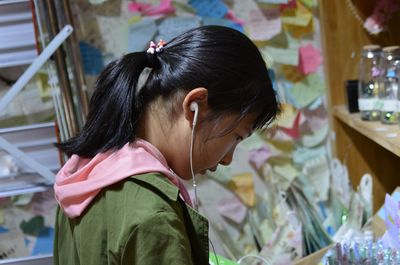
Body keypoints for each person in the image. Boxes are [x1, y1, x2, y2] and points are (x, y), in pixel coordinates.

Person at [53, 25, 279, 265]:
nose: (227, 159)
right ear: (196, 106)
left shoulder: (84, 177)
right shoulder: (153, 216)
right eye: (236, 137)